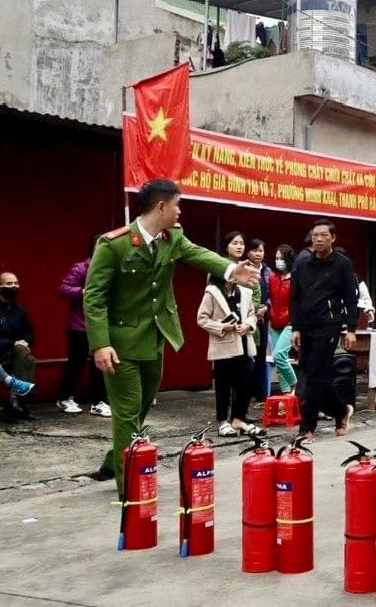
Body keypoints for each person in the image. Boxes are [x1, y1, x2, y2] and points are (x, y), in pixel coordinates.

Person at [85, 178, 258, 492]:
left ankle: (115, 459)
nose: (180, 212)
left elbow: (199, 254)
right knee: (127, 411)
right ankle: (130, 491)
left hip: (155, 338)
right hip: (120, 344)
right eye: (177, 205)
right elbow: (94, 296)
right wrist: (100, 343)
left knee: (139, 409)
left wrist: (232, 271)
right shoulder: (114, 244)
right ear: (161, 206)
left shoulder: (172, 238)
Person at [288, 218, 358, 441]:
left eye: (323, 235)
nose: (318, 239)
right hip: (305, 327)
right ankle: (341, 411)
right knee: (312, 375)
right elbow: (295, 298)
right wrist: (295, 327)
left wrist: (351, 328)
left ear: (333, 238)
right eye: (315, 235)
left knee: (315, 376)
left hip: (329, 326)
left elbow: (350, 298)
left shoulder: (342, 264)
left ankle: (307, 429)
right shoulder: (303, 264)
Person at [197, 243, 264, 439]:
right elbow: (202, 319)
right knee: (223, 385)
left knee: (244, 383)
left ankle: (239, 419)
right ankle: (222, 421)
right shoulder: (212, 293)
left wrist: (248, 325)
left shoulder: (245, 292)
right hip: (223, 346)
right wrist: (222, 326)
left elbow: (251, 314)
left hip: (243, 343)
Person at [56, 241, 109, 418]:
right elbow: (63, 289)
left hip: (100, 324)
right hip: (79, 325)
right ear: (94, 249)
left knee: (100, 364)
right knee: (76, 363)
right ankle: (64, 398)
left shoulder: (110, 268)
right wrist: (82, 291)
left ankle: (98, 402)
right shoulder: (81, 268)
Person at [0, 272, 38, 422]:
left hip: (15, 353)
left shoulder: (20, 310)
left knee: (26, 357)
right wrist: (12, 343)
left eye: (16, 283)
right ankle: (18, 402)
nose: (14, 286)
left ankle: (16, 401)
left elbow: (30, 335)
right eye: (9, 283)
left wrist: (24, 342)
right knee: (24, 356)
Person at [245, 239, 271, 402]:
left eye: (260, 251)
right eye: (254, 250)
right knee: (247, 354)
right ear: (248, 252)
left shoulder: (268, 271)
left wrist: (265, 308)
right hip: (246, 317)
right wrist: (253, 312)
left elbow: (272, 294)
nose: (258, 254)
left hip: (263, 317)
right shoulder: (243, 269)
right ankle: (244, 392)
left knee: (261, 354)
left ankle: (260, 393)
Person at [269, 244, 297, 395]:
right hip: (274, 323)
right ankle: (287, 395)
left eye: (282, 258)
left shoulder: (296, 278)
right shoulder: (272, 277)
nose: (278, 261)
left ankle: (294, 384)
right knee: (280, 362)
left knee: (278, 355)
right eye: (276, 258)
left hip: (290, 323)